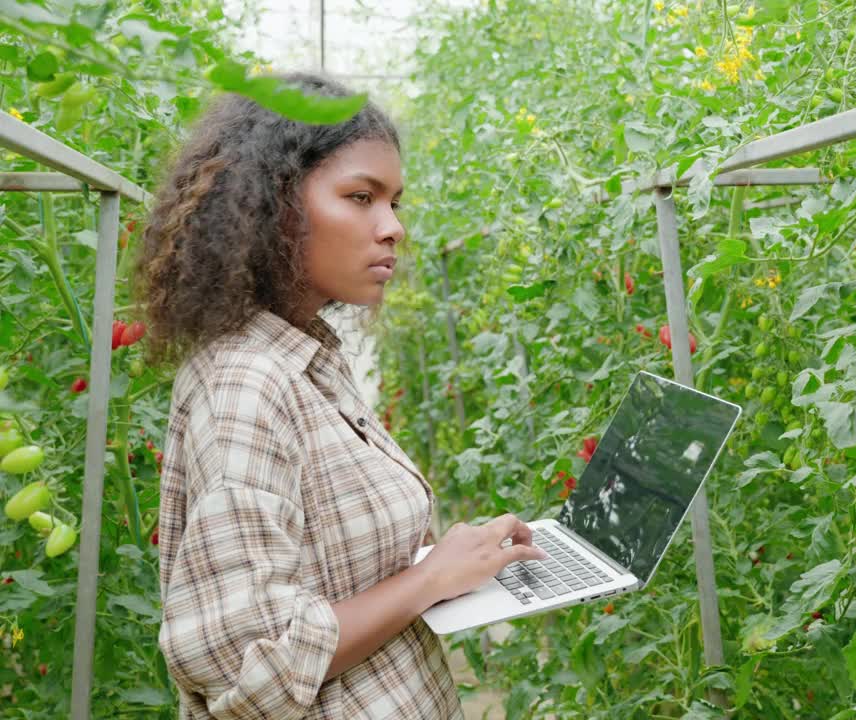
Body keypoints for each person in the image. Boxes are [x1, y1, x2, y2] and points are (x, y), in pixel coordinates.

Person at [132, 72, 547, 719]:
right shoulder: (248, 382)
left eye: (395, 203)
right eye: (360, 197)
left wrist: (453, 561)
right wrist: (429, 579)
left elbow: (330, 567)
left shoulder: (308, 357)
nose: (392, 229)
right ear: (269, 203)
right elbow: (250, 666)